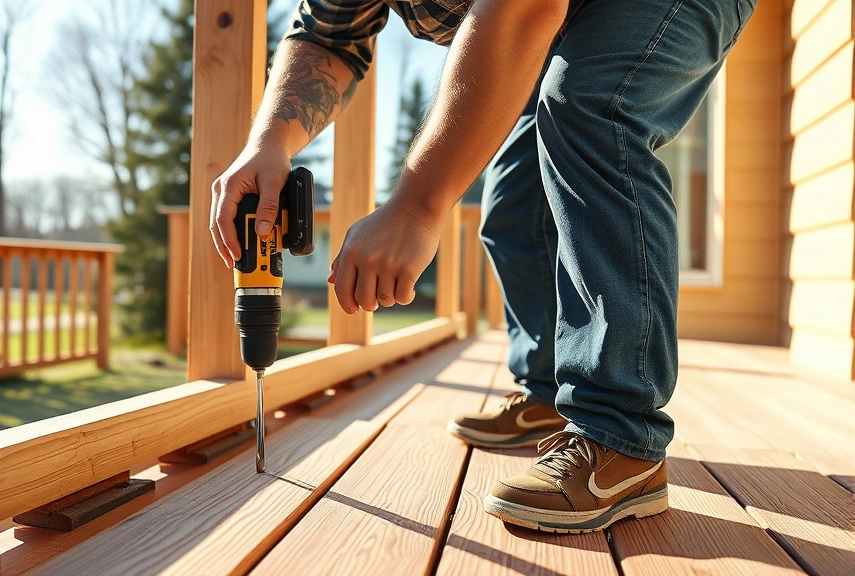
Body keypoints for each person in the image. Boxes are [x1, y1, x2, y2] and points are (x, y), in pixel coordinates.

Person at [209, 0, 755, 533]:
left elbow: (524, 7)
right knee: (512, 209)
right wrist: (270, 140)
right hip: (566, 19)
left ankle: (622, 437)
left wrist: (416, 207)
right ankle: (548, 395)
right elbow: (329, 38)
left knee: (594, 109)